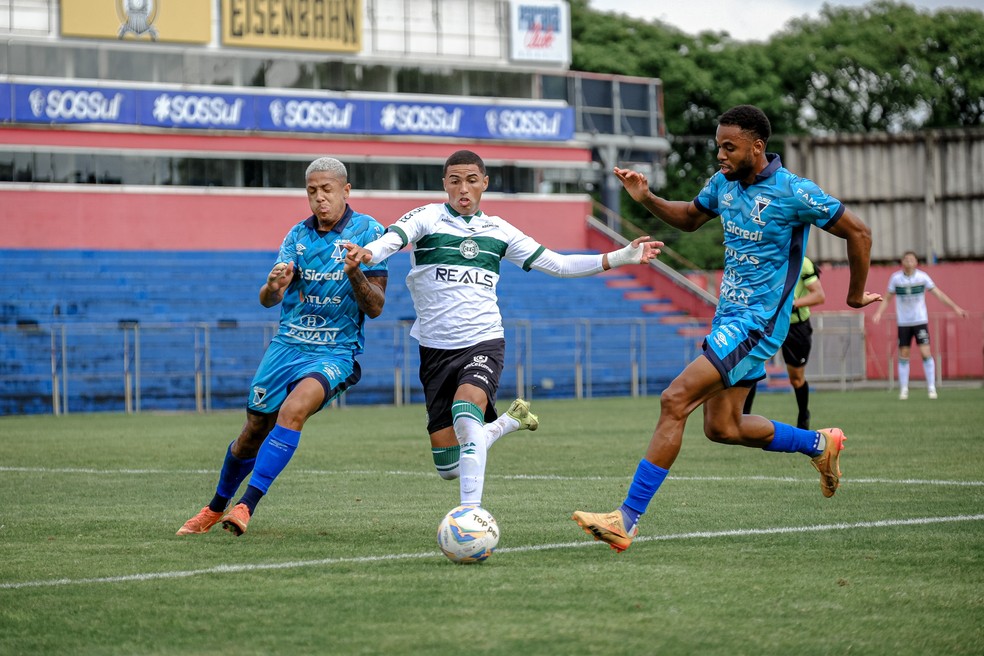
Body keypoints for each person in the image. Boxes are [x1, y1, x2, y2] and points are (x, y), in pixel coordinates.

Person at [572, 105, 882, 553]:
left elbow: (860, 232)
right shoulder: (724, 184)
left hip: (757, 325)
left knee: (674, 399)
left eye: (729, 146)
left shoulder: (794, 191)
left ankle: (626, 519)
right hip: (729, 320)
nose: (720, 154)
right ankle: (820, 442)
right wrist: (647, 199)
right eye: (718, 145)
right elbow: (689, 217)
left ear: (757, 146)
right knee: (723, 427)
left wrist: (855, 295)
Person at [344, 149, 661, 511]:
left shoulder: (499, 230)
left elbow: (558, 264)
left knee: (466, 413)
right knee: (449, 466)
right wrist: (367, 254)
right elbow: (394, 239)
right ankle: (505, 423)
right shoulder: (427, 217)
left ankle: (470, 514)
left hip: (483, 340)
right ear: (444, 184)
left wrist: (623, 255)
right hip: (434, 349)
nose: (463, 188)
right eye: (455, 180)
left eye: (472, 180)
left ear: (485, 184)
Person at [176, 157, 387, 537]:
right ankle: (214, 507)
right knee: (253, 429)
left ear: (346, 190)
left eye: (327, 190)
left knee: (292, 410)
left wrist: (355, 273)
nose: (319, 198)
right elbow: (267, 299)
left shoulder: (370, 232)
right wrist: (273, 286)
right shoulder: (296, 237)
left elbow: (375, 307)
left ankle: (246, 506)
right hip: (287, 345)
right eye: (312, 191)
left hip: (335, 351)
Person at [742, 256, 825, 429]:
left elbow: (819, 296)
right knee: (751, 368)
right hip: (767, 324)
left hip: (795, 326)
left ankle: (803, 414)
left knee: (796, 378)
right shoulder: (765, 257)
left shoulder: (803, 262)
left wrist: (793, 304)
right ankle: (743, 418)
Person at [871, 250, 967, 399]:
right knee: (904, 354)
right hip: (903, 322)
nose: (909, 262)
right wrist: (878, 313)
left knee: (925, 352)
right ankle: (904, 389)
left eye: (912, 259)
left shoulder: (922, 277)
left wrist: (956, 308)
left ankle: (931, 387)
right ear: (902, 262)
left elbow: (939, 294)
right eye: (906, 259)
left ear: (916, 262)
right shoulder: (896, 279)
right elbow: (888, 298)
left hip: (920, 321)